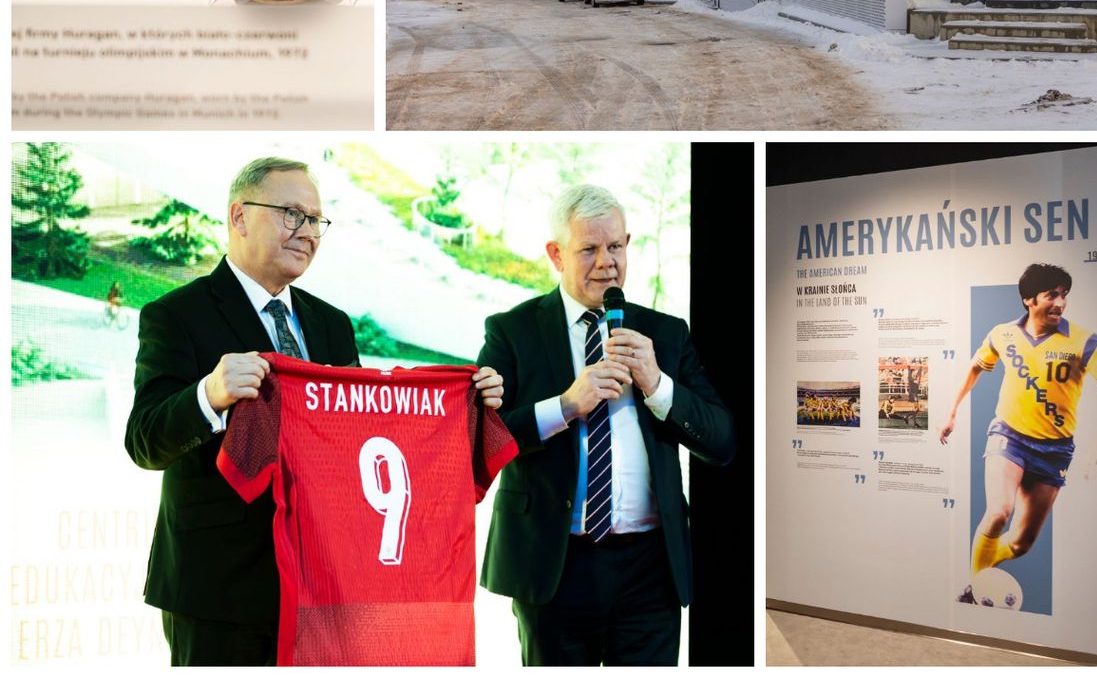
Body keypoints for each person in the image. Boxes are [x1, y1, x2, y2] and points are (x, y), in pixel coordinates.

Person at [125, 156, 504, 665]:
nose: (307, 232)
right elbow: (144, 440)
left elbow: (365, 435)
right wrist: (209, 394)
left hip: (328, 588)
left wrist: (465, 404)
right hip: (221, 590)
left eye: (316, 220)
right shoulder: (176, 314)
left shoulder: (332, 325)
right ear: (239, 217)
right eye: (292, 215)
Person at [476, 183, 735, 666]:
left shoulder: (666, 333)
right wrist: (565, 405)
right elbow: (484, 438)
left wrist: (658, 386)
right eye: (589, 249)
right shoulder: (512, 330)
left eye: (615, 246)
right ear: (556, 254)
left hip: (650, 570)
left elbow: (722, 441)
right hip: (555, 564)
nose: (606, 263)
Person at [939, 263, 1097, 590]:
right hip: (1008, 436)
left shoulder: (1085, 342)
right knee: (999, 512)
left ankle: (982, 571)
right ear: (1029, 299)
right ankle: (974, 588)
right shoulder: (1003, 334)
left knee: (1020, 544)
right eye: (1051, 294)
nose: (1060, 302)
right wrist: (952, 412)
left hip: (1055, 450)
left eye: (1064, 295)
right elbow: (975, 367)